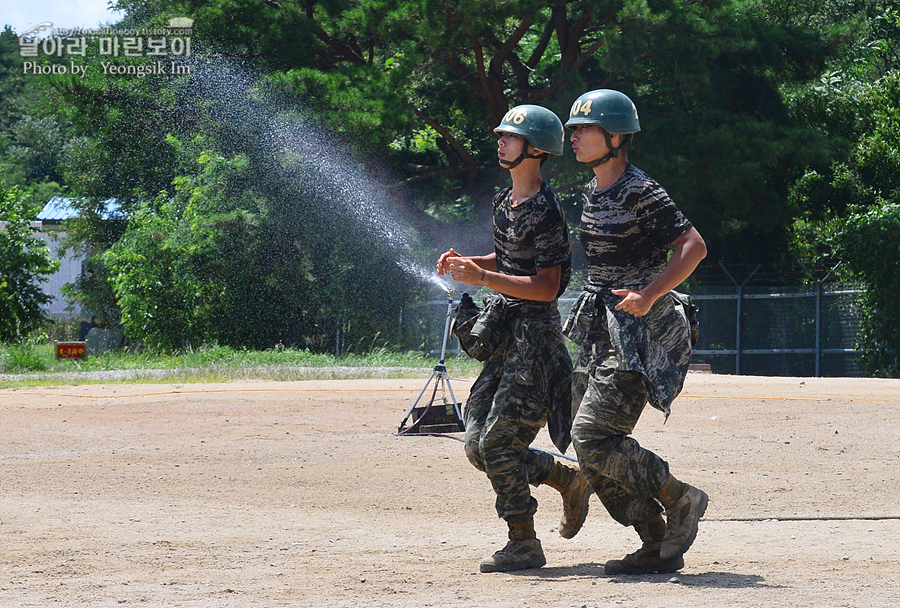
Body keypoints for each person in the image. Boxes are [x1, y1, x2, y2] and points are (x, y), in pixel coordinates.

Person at [436, 105, 590, 573]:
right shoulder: (506, 203)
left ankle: (523, 542)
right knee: (477, 445)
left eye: (510, 136)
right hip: (506, 336)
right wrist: (469, 264)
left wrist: (480, 277)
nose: (500, 142)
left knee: (499, 443)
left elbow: (545, 285)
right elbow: (508, 259)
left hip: (536, 344)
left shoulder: (546, 209)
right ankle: (564, 478)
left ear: (536, 148)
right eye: (501, 134)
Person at [563, 89, 709, 575]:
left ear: (616, 136)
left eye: (584, 128)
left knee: (593, 434)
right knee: (582, 443)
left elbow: (693, 245)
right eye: (573, 129)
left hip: (640, 336)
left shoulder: (640, 190)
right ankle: (653, 539)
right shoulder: (592, 191)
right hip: (602, 332)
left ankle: (680, 498)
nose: (575, 136)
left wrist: (649, 293)